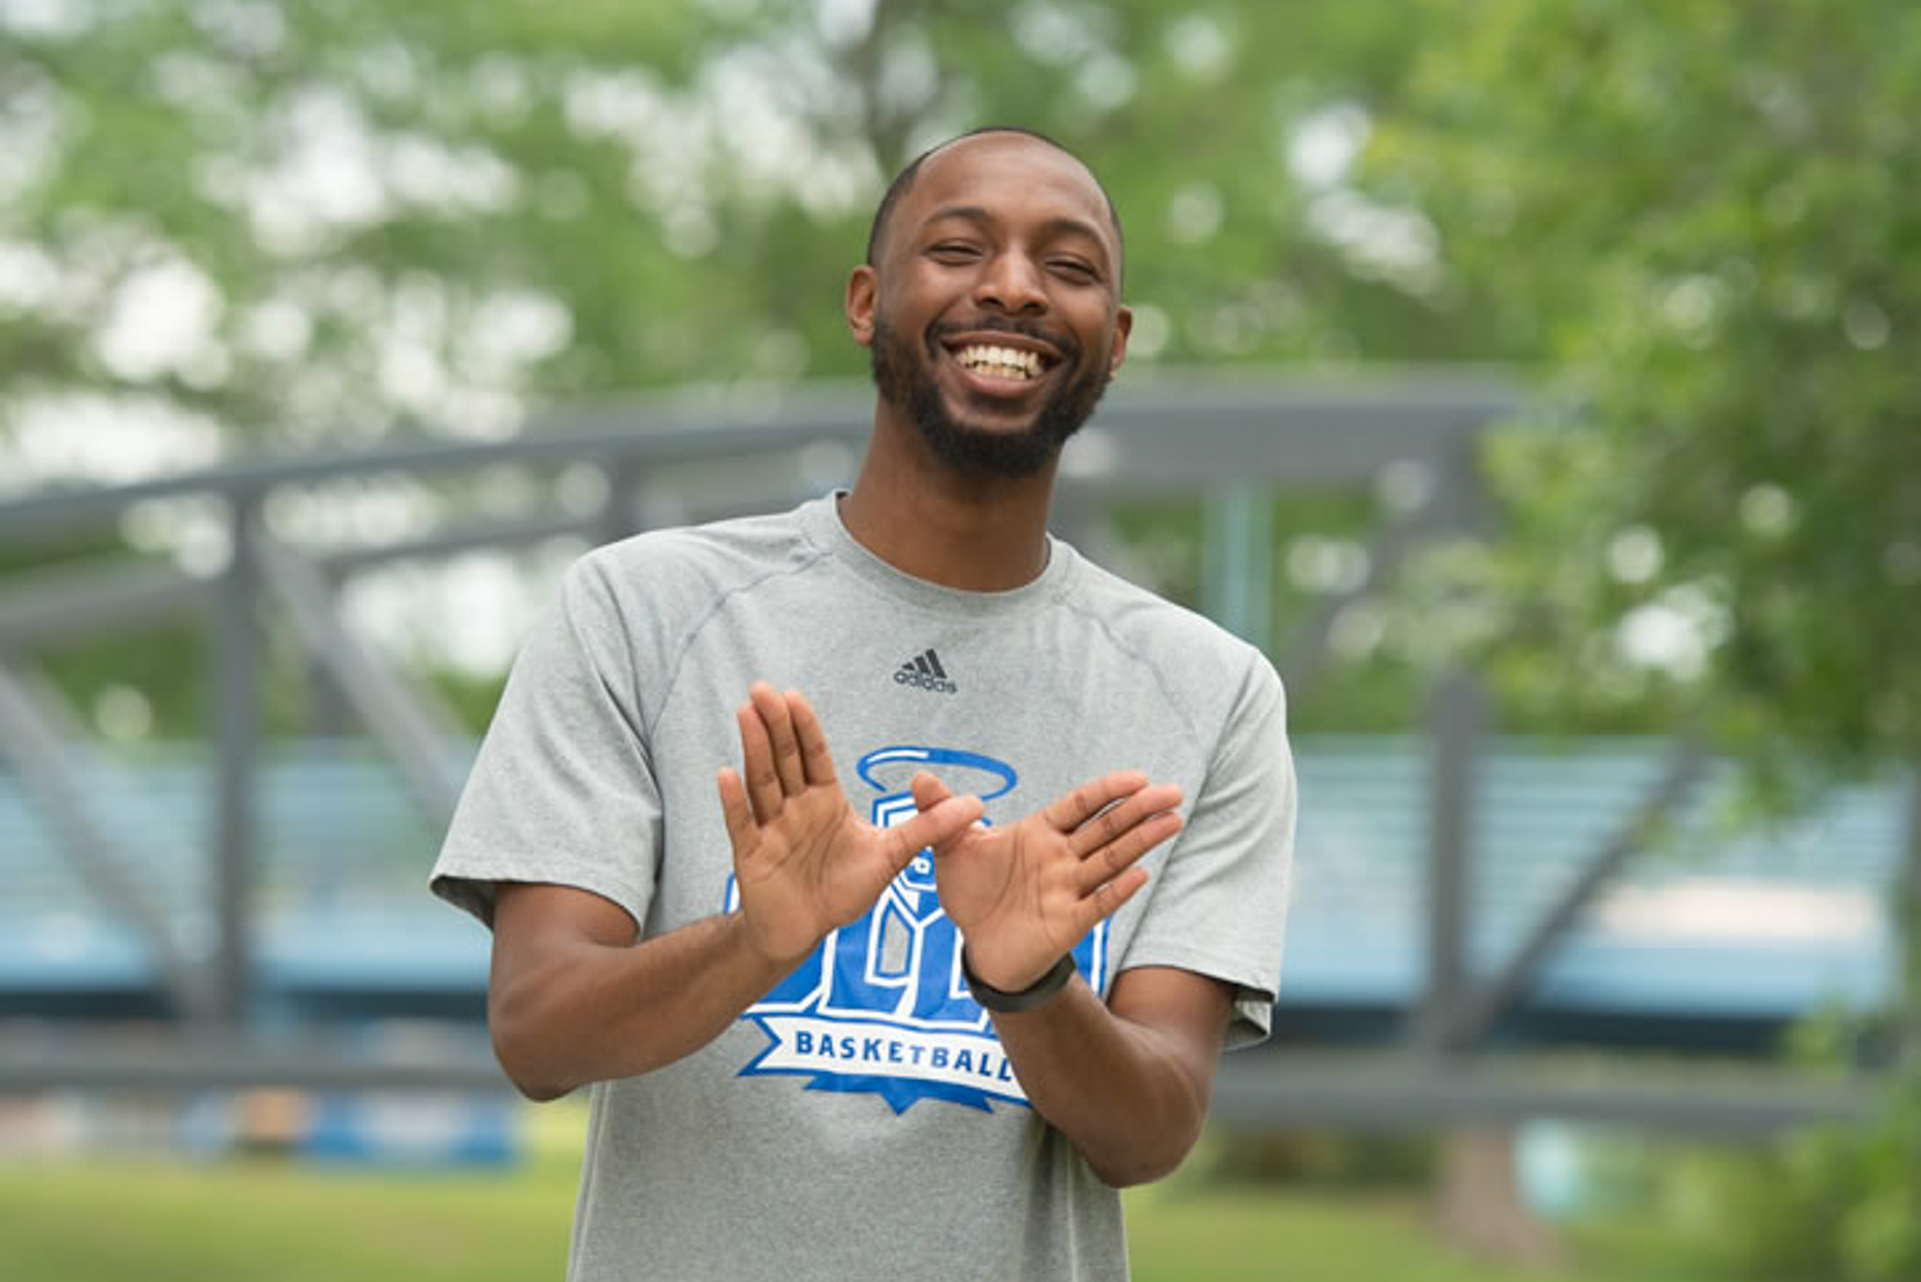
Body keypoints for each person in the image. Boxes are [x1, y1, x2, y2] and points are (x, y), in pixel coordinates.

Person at [430, 127, 1296, 1282]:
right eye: (958, 247)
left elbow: (1152, 1131)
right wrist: (756, 939)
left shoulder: (1210, 692)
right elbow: (536, 1030)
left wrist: (1029, 984)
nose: (1012, 286)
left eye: (1070, 266)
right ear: (864, 301)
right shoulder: (639, 608)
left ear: (1116, 342)